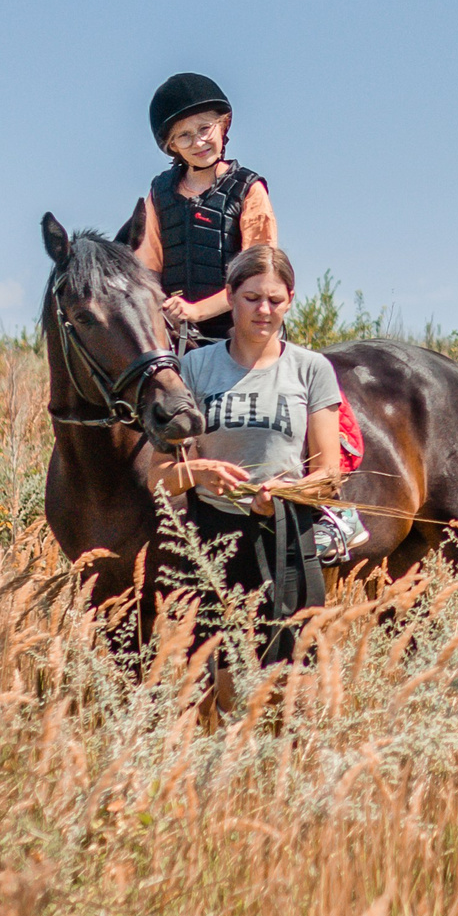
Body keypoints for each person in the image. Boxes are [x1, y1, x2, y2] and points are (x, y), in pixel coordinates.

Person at [154, 245, 341, 664]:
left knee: (293, 681)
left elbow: (330, 475)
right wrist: (198, 472)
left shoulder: (312, 370)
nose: (264, 310)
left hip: (288, 535)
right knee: (223, 678)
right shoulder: (195, 368)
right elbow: (159, 476)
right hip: (213, 542)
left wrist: (285, 492)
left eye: (275, 300)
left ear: (290, 301)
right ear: (230, 296)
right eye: (251, 298)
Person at [129, 73, 279, 349]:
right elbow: (147, 269)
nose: (198, 142)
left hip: (237, 333)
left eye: (204, 129)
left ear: (223, 125)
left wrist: (196, 311)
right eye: (184, 136)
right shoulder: (159, 193)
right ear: (172, 146)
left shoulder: (249, 190)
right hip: (174, 333)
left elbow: (259, 275)